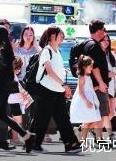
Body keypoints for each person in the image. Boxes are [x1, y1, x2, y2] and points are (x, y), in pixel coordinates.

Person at [31, 25, 81, 153]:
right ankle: (33, 143)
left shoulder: (57, 51)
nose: (63, 37)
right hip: (46, 90)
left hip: (57, 90)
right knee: (42, 118)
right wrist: (64, 84)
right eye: (60, 35)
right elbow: (49, 70)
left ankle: (70, 143)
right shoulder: (47, 51)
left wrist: (63, 77)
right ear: (52, 36)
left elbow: (56, 69)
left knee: (62, 118)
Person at [0, 26, 35, 153]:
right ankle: (27, 137)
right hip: (6, 85)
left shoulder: (3, 50)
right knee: (2, 115)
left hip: (1, 85)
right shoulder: (5, 49)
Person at [81, 20, 111, 140]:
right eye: (104, 30)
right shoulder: (93, 46)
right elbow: (95, 67)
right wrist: (101, 83)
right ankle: (92, 137)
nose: (105, 33)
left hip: (96, 86)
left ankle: (94, 137)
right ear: (99, 31)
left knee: (100, 114)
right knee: (99, 114)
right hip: (97, 87)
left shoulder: (91, 44)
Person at [70, 56, 101, 142]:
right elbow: (80, 91)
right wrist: (87, 101)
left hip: (90, 99)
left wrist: (97, 88)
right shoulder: (82, 77)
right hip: (84, 101)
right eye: (90, 66)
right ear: (84, 67)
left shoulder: (87, 76)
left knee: (93, 121)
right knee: (89, 121)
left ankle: (81, 133)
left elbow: (88, 89)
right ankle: (82, 140)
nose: (92, 67)